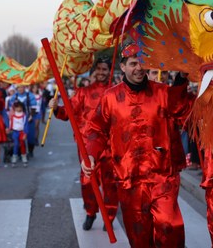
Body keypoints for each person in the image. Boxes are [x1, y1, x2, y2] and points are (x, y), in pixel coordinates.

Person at [82, 43, 192, 247]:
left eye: (143, 63)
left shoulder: (163, 93)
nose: (139, 68)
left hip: (162, 175)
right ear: (123, 67)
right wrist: (90, 155)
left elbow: (182, 110)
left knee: (170, 226)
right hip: (129, 179)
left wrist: (181, 80)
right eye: (133, 63)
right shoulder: (110, 98)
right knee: (139, 236)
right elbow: (96, 130)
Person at [49, 56, 119, 231]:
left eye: (105, 69)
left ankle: (109, 216)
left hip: (111, 146)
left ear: (110, 71)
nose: (101, 72)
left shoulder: (117, 92)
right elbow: (68, 113)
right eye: (99, 69)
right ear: (93, 71)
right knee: (87, 182)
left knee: (110, 184)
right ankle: (90, 212)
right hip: (87, 146)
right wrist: (57, 108)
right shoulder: (83, 93)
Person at [8, 85, 37, 158]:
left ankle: (30, 152)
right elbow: (11, 108)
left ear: (24, 87)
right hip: (18, 120)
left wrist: (31, 116)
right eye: (19, 87)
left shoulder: (30, 95)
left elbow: (34, 107)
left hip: (28, 119)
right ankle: (20, 153)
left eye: (22, 87)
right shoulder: (14, 97)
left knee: (30, 137)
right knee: (18, 137)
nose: (20, 89)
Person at [8, 101, 28, 167]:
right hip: (15, 131)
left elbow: (25, 125)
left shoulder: (24, 116)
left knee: (22, 144)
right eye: (17, 107)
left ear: (22, 108)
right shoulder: (13, 115)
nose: (18, 109)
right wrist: (9, 129)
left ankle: (24, 157)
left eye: (19, 107)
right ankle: (14, 158)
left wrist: (25, 133)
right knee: (16, 145)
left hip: (22, 132)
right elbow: (11, 123)